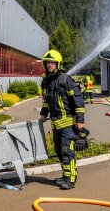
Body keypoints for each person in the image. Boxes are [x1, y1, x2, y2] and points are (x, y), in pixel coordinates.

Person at [39, 50, 86, 190]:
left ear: (58, 64)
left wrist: (80, 120)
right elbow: (47, 101)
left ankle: (71, 179)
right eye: (48, 62)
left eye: (53, 62)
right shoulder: (47, 82)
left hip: (68, 124)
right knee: (59, 150)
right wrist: (43, 113)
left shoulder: (66, 79)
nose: (50, 65)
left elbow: (78, 100)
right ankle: (65, 176)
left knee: (67, 151)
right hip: (55, 124)